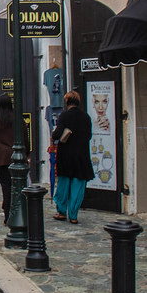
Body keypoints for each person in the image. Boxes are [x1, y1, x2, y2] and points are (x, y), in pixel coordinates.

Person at [51, 91, 94, 224]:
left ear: (67, 102)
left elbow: (57, 134)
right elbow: (89, 136)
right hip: (81, 155)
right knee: (78, 185)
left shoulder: (65, 115)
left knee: (63, 185)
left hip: (66, 155)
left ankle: (62, 211)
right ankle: (74, 215)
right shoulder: (86, 117)